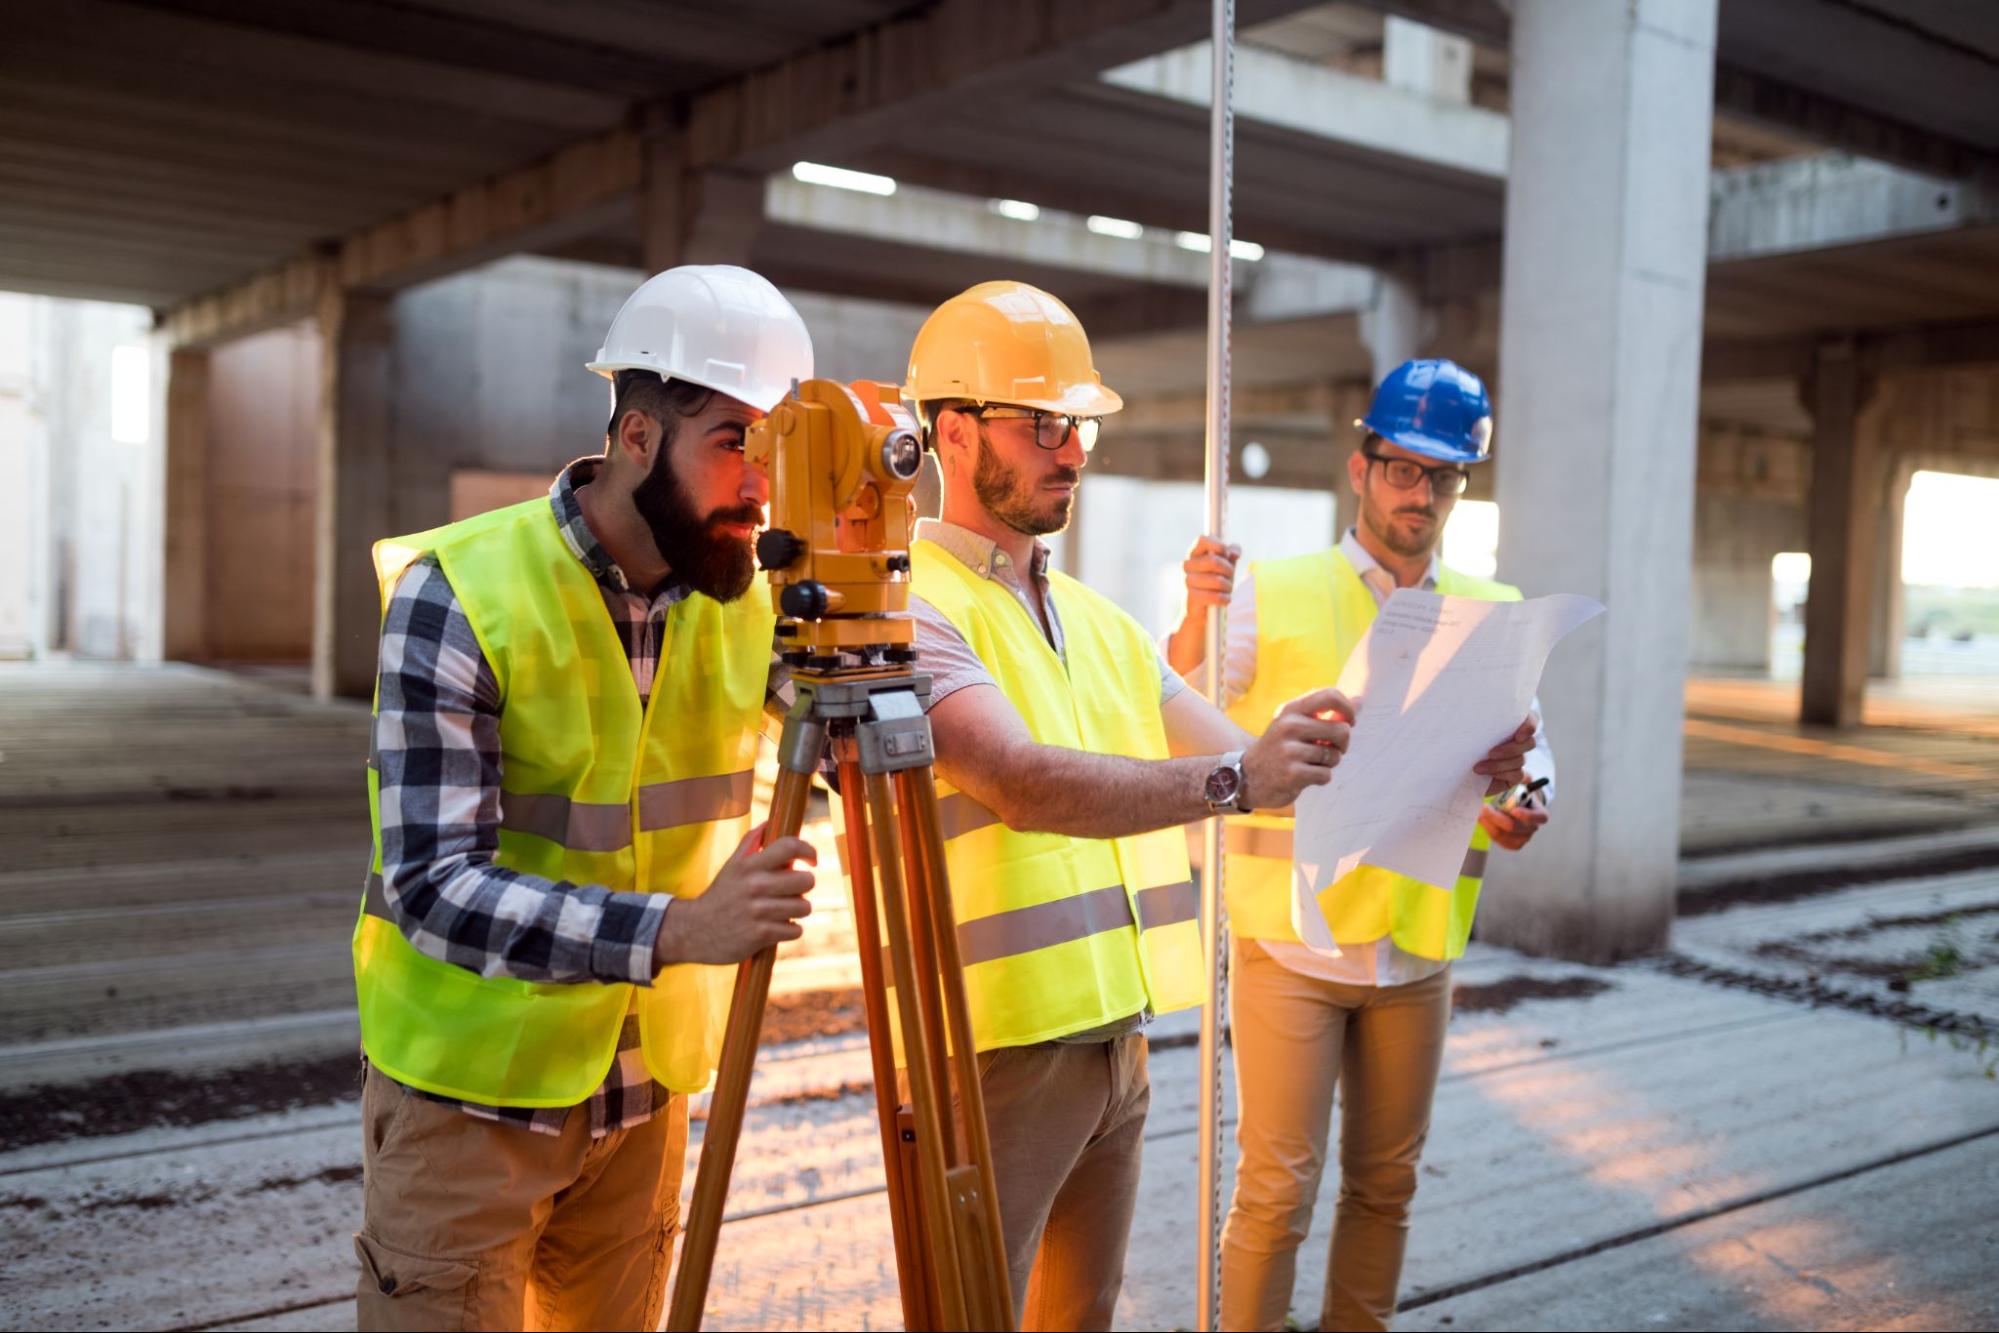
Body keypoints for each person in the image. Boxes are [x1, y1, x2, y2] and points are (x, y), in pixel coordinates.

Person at [903, 290, 1537, 1331]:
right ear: (955, 430)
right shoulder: (916, 603)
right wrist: (1245, 774)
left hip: (1116, 1036)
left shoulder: (1098, 624)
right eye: (1042, 425)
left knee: (1083, 1314)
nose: (1072, 451)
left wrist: (1437, 757)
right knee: (973, 1313)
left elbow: (1248, 753)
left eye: (1080, 426)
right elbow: (1022, 781)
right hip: (993, 1041)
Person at [352, 265, 819, 1331]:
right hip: (468, 1105)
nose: (759, 486)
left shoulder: (746, 595)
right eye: (735, 442)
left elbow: (876, 747)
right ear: (640, 436)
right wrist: (682, 927)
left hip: (645, 1098)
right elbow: (432, 882)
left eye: (776, 451)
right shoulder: (460, 590)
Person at [1165, 357, 1555, 1331]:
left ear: (1461, 485)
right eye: (1400, 468)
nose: (1418, 493)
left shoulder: (1491, 610)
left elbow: (1530, 761)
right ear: (1359, 467)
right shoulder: (1269, 589)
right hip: (1290, 946)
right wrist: (1191, 618)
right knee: (1275, 1191)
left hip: (1416, 949)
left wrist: (1519, 798)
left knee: (1386, 1185)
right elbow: (1181, 707)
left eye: (1441, 475)